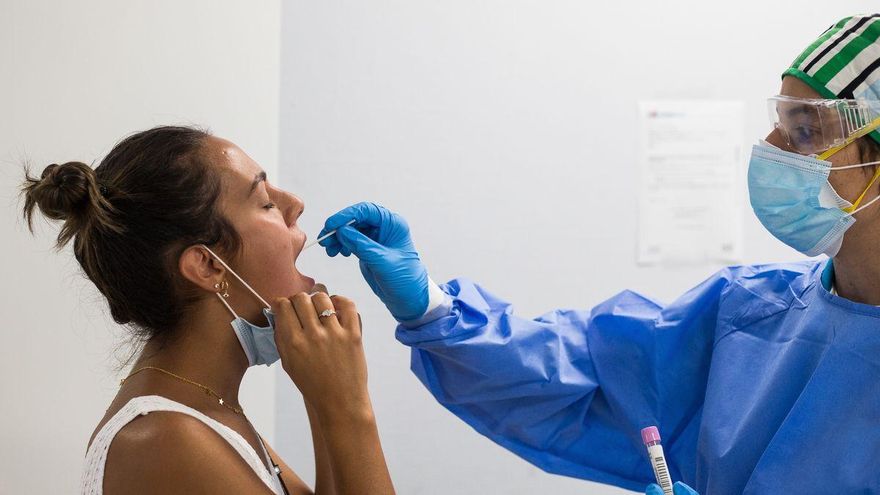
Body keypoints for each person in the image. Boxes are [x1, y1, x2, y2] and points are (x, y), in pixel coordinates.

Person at [317, 14, 880, 494]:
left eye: (805, 132)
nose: (771, 150)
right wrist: (430, 308)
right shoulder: (750, 312)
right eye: (779, 123)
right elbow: (569, 379)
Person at [21, 126, 395, 495]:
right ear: (208, 266)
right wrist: (349, 406)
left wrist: (324, 393)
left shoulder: (207, 412)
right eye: (265, 201)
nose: (295, 203)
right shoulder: (164, 440)